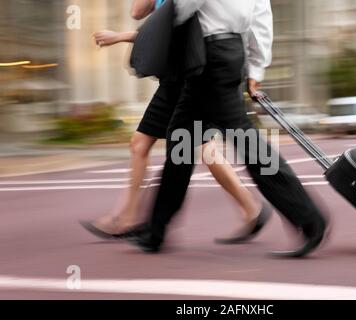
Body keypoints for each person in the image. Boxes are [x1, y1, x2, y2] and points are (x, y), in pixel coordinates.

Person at [123, 0, 329, 257]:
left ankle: (310, 220)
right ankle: (155, 231)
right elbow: (261, 19)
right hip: (230, 52)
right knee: (182, 143)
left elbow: (185, 6)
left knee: (244, 141)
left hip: (207, 57)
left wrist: (163, 25)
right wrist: (256, 69)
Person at [81, 0, 271, 243]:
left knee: (196, 147)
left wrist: (119, 36)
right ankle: (250, 208)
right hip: (173, 77)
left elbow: (172, 29)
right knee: (175, 146)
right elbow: (138, 12)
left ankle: (134, 219)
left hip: (190, 74)